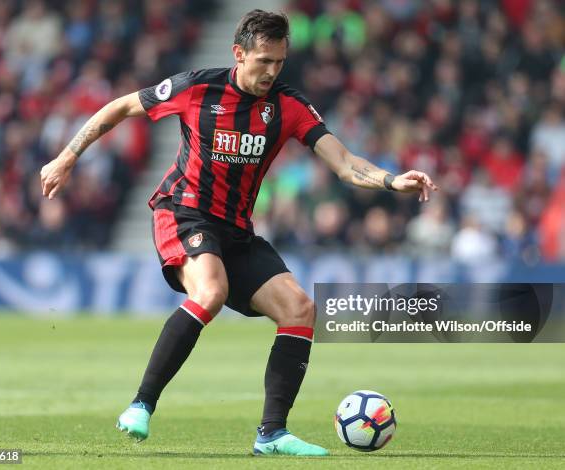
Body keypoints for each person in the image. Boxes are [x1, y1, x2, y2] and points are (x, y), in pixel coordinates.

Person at [40, 9, 437, 456]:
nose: (271, 71)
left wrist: (391, 180)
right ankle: (141, 405)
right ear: (238, 53)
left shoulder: (288, 106)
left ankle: (271, 434)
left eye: (279, 62)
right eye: (263, 60)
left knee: (300, 308)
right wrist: (67, 157)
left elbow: (344, 163)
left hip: (236, 231)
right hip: (183, 212)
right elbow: (120, 107)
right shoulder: (197, 87)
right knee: (211, 291)